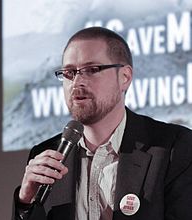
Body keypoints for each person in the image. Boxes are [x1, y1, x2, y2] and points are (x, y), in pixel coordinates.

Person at [12, 27, 192, 220]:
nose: (77, 82)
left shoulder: (174, 147)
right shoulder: (46, 156)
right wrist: (26, 202)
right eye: (69, 72)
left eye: (91, 70)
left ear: (125, 77)